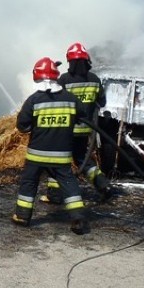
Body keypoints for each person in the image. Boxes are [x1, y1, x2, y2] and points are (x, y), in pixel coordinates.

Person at [12, 57, 90, 234]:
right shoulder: (71, 99)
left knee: (29, 183)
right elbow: (83, 116)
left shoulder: (34, 100)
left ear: (37, 77)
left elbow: (22, 126)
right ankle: (78, 217)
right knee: (69, 183)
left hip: (36, 155)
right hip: (61, 155)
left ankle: (22, 217)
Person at [43, 41, 111, 204]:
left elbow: (54, 100)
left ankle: (54, 194)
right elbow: (101, 102)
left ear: (70, 62)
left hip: (65, 129)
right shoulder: (95, 79)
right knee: (83, 159)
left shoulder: (65, 80)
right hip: (85, 129)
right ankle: (103, 184)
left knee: (57, 161)